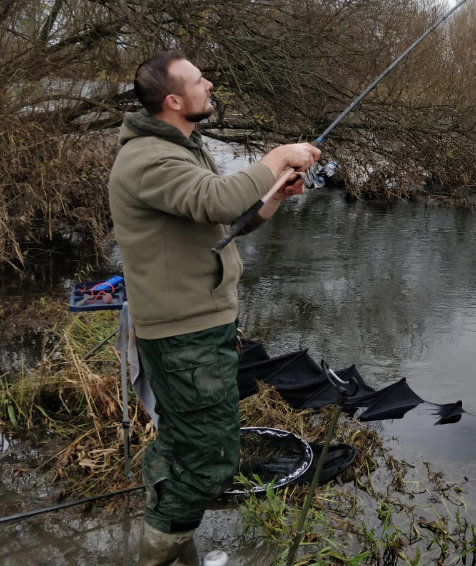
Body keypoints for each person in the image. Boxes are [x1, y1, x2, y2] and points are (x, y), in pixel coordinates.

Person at [108, 50, 320, 565]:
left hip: (200, 323)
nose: (210, 85)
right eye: (199, 81)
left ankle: (180, 550)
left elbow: (219, 225)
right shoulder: (149, 159)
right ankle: (157, 550)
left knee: (185, 445)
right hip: (184, 334)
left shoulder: (180, 147)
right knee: (210, 462)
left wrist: (270, 199)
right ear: (174, 100)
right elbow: (219, 200)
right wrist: (277, 155)